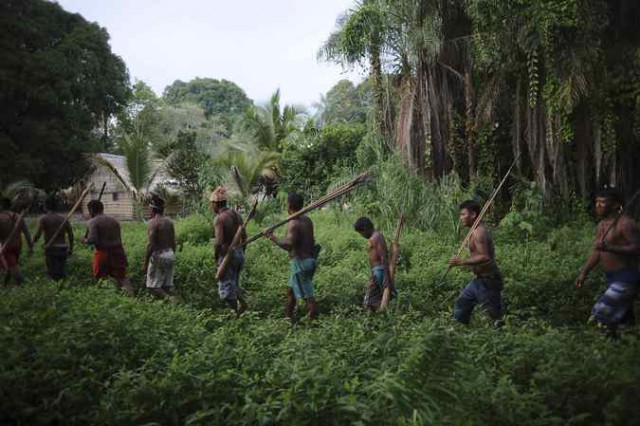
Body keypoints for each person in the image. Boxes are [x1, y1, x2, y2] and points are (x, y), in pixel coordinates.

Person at [576, 188, 640, 335]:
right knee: (624, 321)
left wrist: (611, 247)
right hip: (611, 277)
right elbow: (597, 252)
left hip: (626, 277)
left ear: (615, 204)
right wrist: (584, 272)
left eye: (603, 202)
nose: (598, 205)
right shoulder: (602, 225)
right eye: (597, 202)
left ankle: (603, 347)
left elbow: (637, 247)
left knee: (601, 313)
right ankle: (621, 349)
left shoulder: (625, 224)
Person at [265, 192, 319, 320]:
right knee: (291, 292)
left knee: (308, 297)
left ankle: (313, 320)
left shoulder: (293, 223)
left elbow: (289, 244)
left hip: (301, 264)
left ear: (289, 205)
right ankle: (288, 319)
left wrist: (271, 236)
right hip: (307, 262)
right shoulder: (307, 220)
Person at [449, 200, 503, 325]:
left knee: (493, 318)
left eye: (463, 214)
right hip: (478, 280)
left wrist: (461, 261)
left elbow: (485, 257)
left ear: (473, 215)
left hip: (488, 282)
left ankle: (500, 337)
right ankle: (459, 333)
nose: (461, 218)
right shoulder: (474, 230)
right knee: (462, 305)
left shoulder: (479, 232)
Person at [82, 200, 134, 296]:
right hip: (118, 252)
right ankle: (131, 297)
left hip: (103, 253)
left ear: (91, 210)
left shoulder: (92, 222)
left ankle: (105, 297)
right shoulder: (114, 221)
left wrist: (85, 240)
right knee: (122, 278)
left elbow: (93, 239)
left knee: (101, 278)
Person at [210, 186, 248, 315]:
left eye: (212, 203)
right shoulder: (236, 215)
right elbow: (245, 236)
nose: (211, 206)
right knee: (233, 283)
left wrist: (217, 259)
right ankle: (242, 304)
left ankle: (235, 312)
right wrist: (242, 252)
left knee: (226, 289)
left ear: (216, 203)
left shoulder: (220, 219)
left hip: (228, 256)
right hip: (238, 253)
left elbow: (219, 243)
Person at [354, 216, 395, 311]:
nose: (362, 236)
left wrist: (386, 277)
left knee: (369, 301)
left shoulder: (375, 237)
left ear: (364, 228)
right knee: (376, 297)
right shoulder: (376, 236)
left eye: (361, 233)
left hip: (379, 272)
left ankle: (378, 318)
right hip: (377, 272)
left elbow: (383, 257)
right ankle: (380, 316)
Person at [143, 196, 177, 300]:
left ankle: (172, 301)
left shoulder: (153, 223)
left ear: (153, 209)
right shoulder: (169, 222)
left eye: (149, 208)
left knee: (153, 287)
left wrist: (145, 263)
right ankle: (175, 302)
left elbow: (151, 245)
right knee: (166, 286)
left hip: (159, 255)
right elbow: (173, 242)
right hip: (170, 253)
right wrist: (172, 254)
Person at [33, 197, 73, 281]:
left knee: (52, 272)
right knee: (61, 271)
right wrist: (71, 248)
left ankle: (56, 288)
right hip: (63, 247)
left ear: (46, 206)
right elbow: (70, 233)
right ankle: (62, 287)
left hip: (51, 248)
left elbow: (38, 234)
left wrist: (32, 243)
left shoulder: (44, 219)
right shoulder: (63, 219)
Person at [0, 197, 33, 285]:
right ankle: (5, 284)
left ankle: (24, 285)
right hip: (18, 245)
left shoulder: (1, 218)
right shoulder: (18, 216)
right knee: (12, 265)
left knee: (14, 268)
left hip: (7, 247)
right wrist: (30, 247)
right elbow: (27, 233)